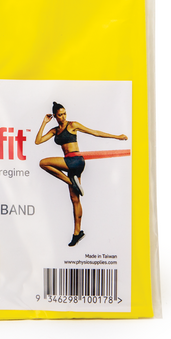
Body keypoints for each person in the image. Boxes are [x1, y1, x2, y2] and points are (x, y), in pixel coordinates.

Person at [35, 101, 128, 247]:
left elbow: (94, 132)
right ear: (55, 116)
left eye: (65, 113)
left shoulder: (72, 125)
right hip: (70, 165)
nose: (63, 117)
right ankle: (77, 233)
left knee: (43, 163)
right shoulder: (54, 131)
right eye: (60, 115)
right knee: (75, 199)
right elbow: (38, 141)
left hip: (75, 160)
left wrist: (117, 136)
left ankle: (70, 181)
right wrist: (44, 122)